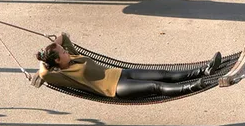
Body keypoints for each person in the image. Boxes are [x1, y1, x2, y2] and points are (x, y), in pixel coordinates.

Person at [32, 33, 223, 99]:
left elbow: (64, 36)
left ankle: (204, 70)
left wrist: (53, 45)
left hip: (119, 72)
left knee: (162, 73)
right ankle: (197, 85)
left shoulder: (71, 56)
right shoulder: (62, 74)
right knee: (156, 87)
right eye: (62, 52)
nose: (66, 52)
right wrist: (44, 58)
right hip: (116, 88)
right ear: (57, 61)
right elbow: (43, 72)